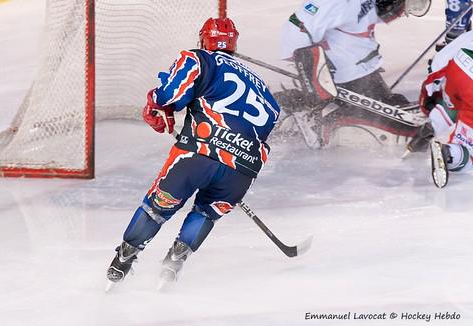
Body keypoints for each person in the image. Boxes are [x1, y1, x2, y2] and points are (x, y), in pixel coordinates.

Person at [106, 17, 281, 288]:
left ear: (203, 39)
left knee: (157, 209)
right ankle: (173, 265)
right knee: (206, 214)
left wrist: (156, 105)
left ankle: (123, 262)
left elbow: (170, 96)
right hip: (243, 169)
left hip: (197, 155)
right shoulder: (264, 89)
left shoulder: (198, 59)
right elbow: (266, 123)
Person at [275, 0, 431, 148]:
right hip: (341, 79)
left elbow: (362, 16)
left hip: (364, 73)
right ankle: (305, 115)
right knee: (396, 131)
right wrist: (312, 80)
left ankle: (302, 106)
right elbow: (296, 27)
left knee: (402, 116)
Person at [407, 31, 473, 187]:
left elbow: (438, 66)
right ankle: (449, 153)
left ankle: (432, 126)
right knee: (470, 156)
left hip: (458, 69)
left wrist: (427, 106)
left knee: (455, 102)